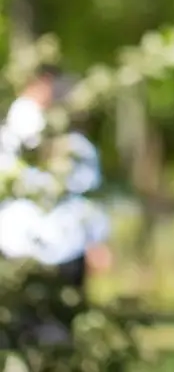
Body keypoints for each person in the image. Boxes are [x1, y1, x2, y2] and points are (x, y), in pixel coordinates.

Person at [0, 68, 111, 347]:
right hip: (23, 252)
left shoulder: (75, 146)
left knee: (51, 338)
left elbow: (86, 196)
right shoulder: (13, 139)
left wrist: (96, 241)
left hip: (59, 253)